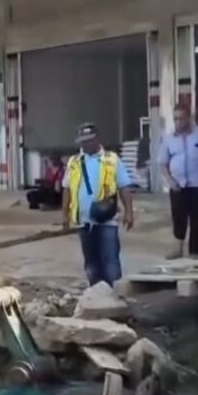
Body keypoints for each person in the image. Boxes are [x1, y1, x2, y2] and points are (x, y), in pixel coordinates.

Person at [62, 123, 135, 287]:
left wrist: (129, 212)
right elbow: (66, 189)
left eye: (88, 141)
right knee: (91, 264)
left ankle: (115, 296)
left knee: (111, 263)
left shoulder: (111, 160)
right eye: (82, 142)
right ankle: (95, 296)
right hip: (84, 222)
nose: (85, 145)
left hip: (107, 221)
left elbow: (124, 187)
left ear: (97, 139)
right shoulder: (74, 162)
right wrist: (65, 215)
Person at [157, 104, 198, 259]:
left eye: (181, 118)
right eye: (175, 119)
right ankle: (178, 249)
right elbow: (162, 162)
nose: (178, 122)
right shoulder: (168, 139)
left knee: (197, 219)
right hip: (177, 185)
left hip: (197, 184)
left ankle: (195, 252)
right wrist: (170, 181)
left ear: (189, 118)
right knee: (178, 218)